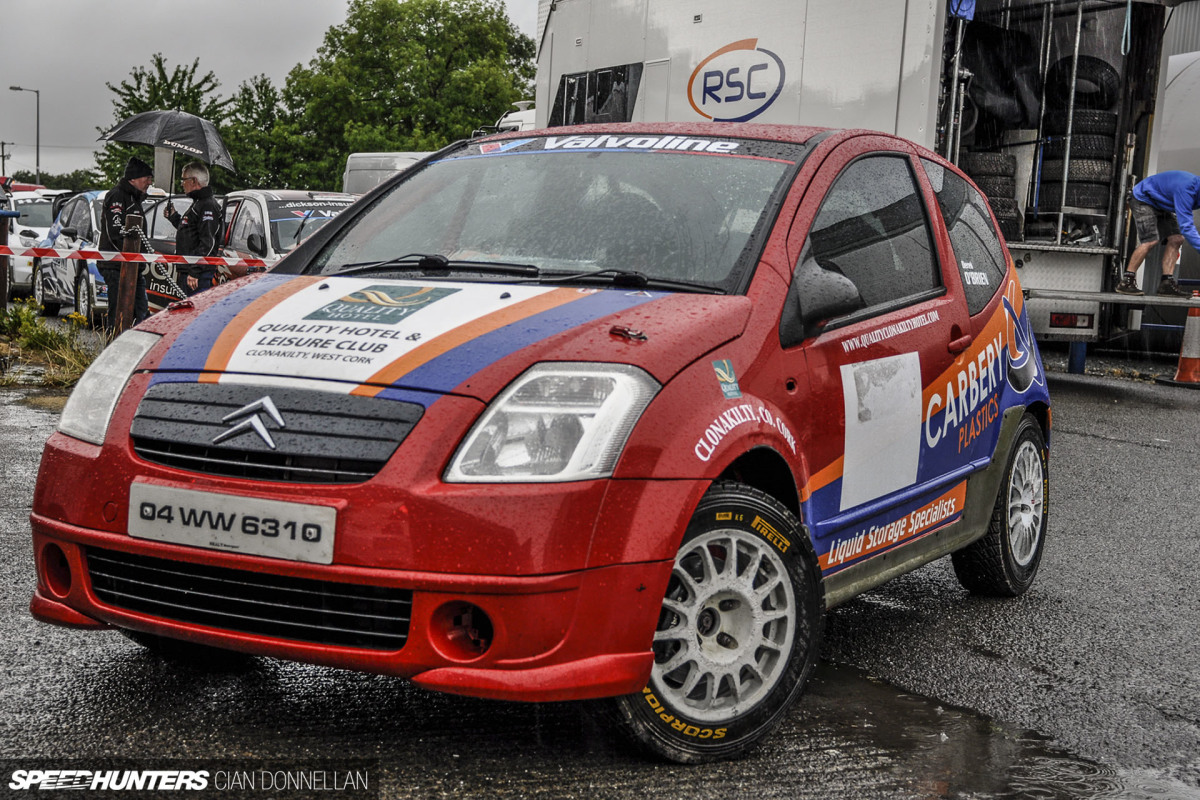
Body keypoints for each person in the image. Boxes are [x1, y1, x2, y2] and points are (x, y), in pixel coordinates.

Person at [1115, 170, 1200, 297]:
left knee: (1177, 238)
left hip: (1161, 203)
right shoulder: (1187, 189)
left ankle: (1166, 284)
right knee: (1150, 240)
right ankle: (1127, 281)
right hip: (1143, 199)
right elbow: (1186, 227)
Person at [98, 156, 154, 329]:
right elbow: (114, 232)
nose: (149, 183)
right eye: (147, 179)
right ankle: (112, 348)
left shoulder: (135, 198)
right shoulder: (116, 196)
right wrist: (128, 258)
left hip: (133, 265)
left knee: (141, 312)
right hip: (117, 266)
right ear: (134, 179)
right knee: (118, 314)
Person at [163, 161, 222, 295]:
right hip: (190, 270)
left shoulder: (207, 205)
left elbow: (208, 242)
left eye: (183, 180)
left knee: (196, 313)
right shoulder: (199, 203)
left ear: (194, 181)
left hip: (198, 274)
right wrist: (173, 216)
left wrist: (195, 271)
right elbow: (190, 231)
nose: (182, 184)